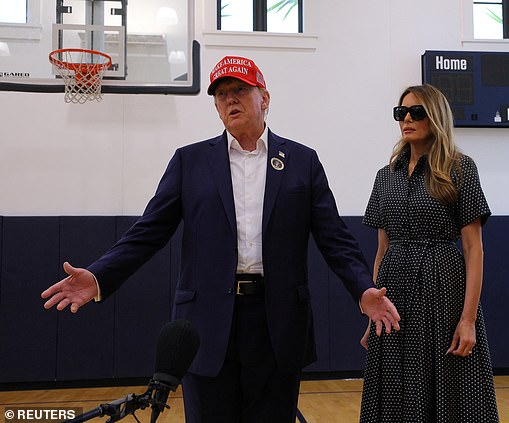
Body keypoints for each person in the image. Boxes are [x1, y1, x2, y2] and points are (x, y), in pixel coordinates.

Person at [41, 55, 401, 423]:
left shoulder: (302, 161)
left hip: (277, 324)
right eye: (221, 94)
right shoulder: (190, 161)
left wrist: (362, 289)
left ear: (264, 97)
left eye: (240, 90)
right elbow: (147, 232)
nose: (230, 100)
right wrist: (100, 276)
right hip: (207, 324)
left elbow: (335, 239)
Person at [359, 84, 499, 422]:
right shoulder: (385, 177)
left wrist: (467, 321)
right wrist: (373, 311)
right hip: (394, 295)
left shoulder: (460, 169)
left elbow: (474, 249)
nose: (406, 118)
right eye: (400, 113)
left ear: (435, 117)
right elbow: (382, 249)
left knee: (448, 387)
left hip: (442, 292)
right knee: (393, 386)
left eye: (416, 112)